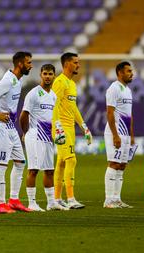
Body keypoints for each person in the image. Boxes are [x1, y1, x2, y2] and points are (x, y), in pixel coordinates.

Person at [0, 51, 32, 213]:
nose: (31, 65)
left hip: (11, 127)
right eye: (28, 62)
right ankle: (1, 203)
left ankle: (13, 199)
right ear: (20, 64)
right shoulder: (8, 80)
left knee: (20, 162)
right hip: (2, 128)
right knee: (1, 165)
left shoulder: (17, 80)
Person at [20, 64, 67, 211]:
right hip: (35, 135)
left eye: (50, 74)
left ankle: (51, 202)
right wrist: (26, 132)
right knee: (33, 170)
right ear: (41, 75)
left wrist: (57, 131)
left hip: (47, 137)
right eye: (45, 73)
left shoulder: (53, 95)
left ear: (54, 76)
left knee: (49, 170)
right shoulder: (33, 93)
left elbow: (52, 118)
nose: (47, 76)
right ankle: (32, 203)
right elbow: (24, 115)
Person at [52, 52, 92, 209]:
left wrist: (84, 126)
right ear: (67, 64)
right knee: (71, 160)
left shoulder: (72, 84)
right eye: (75, 62)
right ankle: (71, 198)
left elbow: (73, 108)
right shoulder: (60, 82)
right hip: (61, 127)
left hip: (70, 128)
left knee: (61, 162)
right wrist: (57, 126)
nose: (78, 65)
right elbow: (53, 104)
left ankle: (56, 198)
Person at [103, 61, 134, 208]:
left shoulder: (127, 90)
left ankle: (117, 199)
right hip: (115, 133)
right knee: (114, 164)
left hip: (126, 134)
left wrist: (131, 135)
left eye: (131, 71)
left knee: (122, 166)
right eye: (128, 71)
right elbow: (109, 113)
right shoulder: (114, 88)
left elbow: (129, 114)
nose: (131, 73)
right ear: (120, 73)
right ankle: (108, 200)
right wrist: (115, 135)